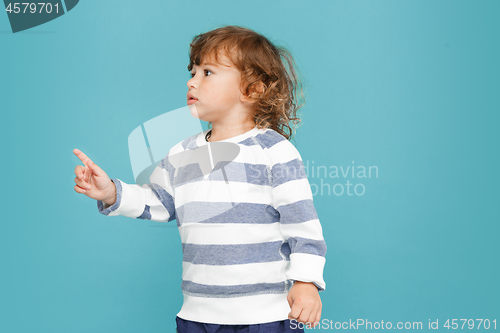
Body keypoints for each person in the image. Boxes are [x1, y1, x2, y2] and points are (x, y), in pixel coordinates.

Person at [73, 25, 326, 333]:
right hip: (198, 314)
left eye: (207, 72)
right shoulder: (182, 151)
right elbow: (161, 202)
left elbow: (303, 227)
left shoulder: (274, 151)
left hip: (266, 315)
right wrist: (111, 192)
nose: (192, 81)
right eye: (192, 72)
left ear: (253, 89)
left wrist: (306, 281)